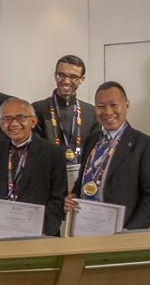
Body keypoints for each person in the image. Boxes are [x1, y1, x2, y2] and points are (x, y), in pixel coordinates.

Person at [64, 82, 150, 230]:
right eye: (100, 106)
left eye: (113, 105)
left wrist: (131, 231)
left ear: (127, 106)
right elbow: (83, 183)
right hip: (85, 228)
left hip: (122, 232)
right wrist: (72, 198)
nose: (107, 112)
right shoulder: (91, 140)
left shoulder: (145, 145)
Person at [0, 98, 67, 238]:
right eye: (7, 119)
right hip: (0, 233)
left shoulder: (53, 153)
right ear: (1, 124)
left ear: (33, 121)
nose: (14, 124)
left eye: (21, 117)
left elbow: (58, 197)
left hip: (40, 235)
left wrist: (46, 231)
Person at [33, 55, 100, 191]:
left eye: (73, 77)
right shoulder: (37, 109)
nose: (66, 81)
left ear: (82, 79)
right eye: (61, 75)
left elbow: (95, 153)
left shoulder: (91, 112)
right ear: (55, 75)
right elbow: (34, 152)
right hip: (47, 182)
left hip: (81, 183)